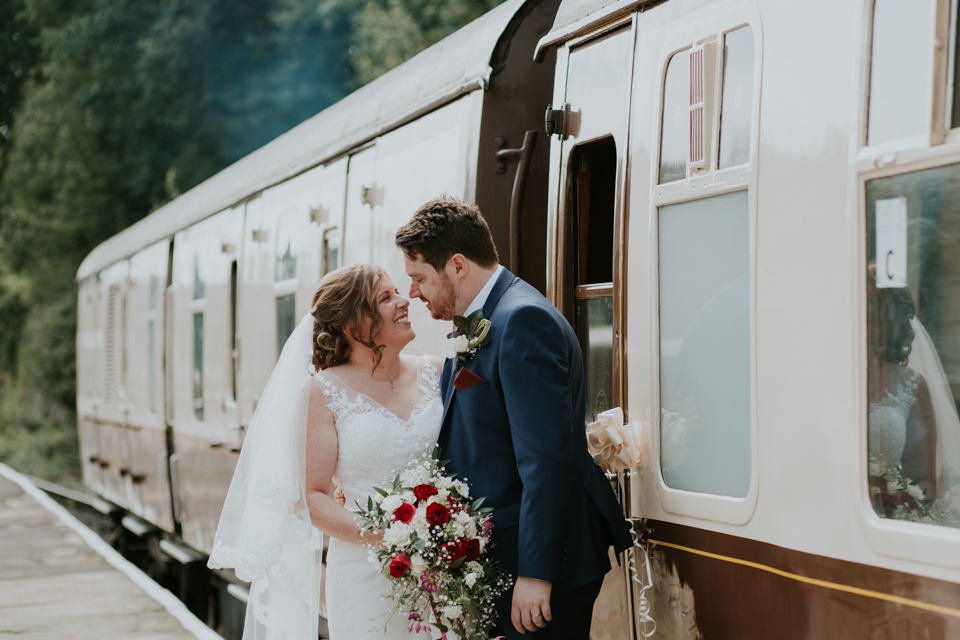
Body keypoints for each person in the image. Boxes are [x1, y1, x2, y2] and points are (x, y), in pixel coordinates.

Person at [395, 196, 632, 639]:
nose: (413, 292)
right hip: (507, 555)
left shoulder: (522, 319)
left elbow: (545, 458)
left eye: (419, 278)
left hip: (540, 564)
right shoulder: (486, 317)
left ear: (458, 266)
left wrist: (536, 572)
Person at [209, 264, 444, 639]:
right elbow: (311, 496)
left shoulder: (437, 372)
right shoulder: (324, 393)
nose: (405, 301)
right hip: (365, 573)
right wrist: (390, 537)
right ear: (353, 327)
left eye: (397, 291)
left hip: (444, 567)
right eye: (386, 298)